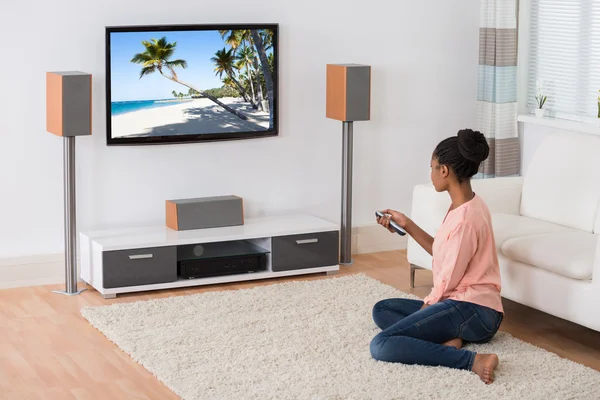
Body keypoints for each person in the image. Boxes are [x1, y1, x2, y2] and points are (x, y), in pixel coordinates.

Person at [371, 128, 503, 384]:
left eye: (432, 167)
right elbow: (444, 253)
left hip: (476, 311)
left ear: (445, 171)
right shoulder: (465, 204)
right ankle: (451, 339)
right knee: (383, 309)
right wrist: (406, 223)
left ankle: (474, 360)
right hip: (465, 304)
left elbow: (448, 279)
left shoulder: (465, 219)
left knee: (381, 344)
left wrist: (428, 306)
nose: (430, 174)